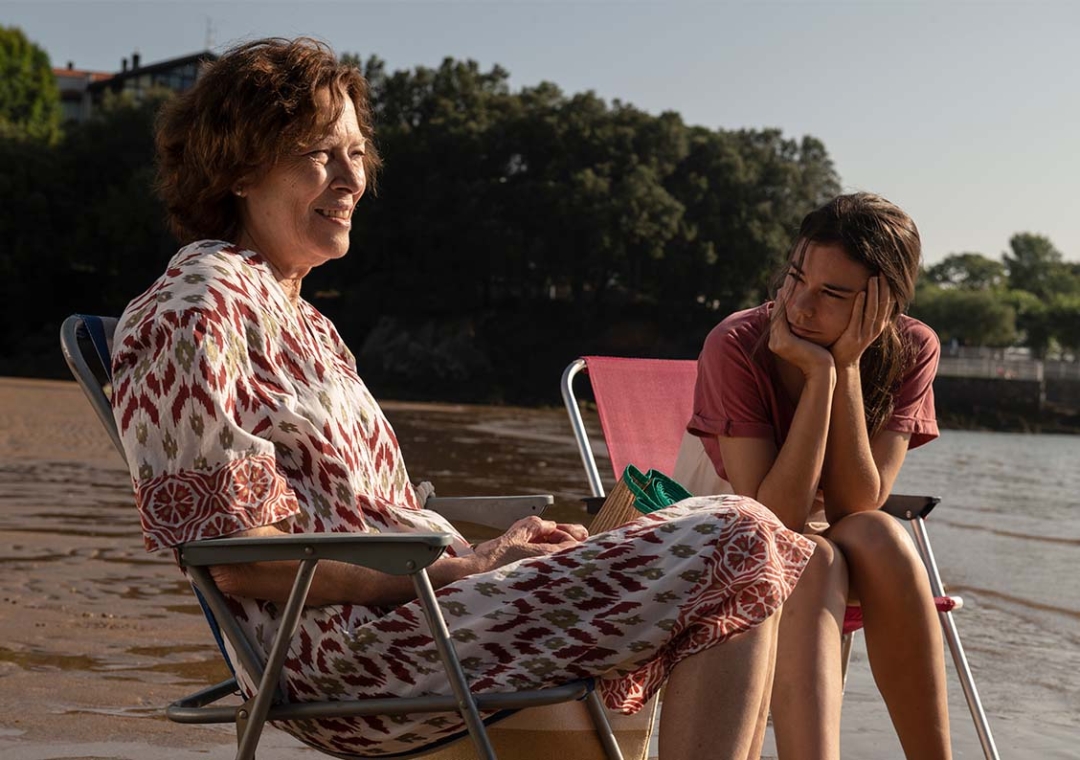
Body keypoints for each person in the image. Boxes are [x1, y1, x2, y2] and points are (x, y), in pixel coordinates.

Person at [109, 37, 814, 759]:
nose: (350, 177)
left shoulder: (307, 322)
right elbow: (240, 563)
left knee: (741, 540)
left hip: (423, 618)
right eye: (319, 152)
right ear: (238, 165)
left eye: (357, 153)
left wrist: (492, 553)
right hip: (351, 659)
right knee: (739, 533)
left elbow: (360, 515)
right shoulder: (200, 299)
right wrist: (456, 569)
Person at [678, 192, 949, 759]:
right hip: (721, 533)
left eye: (832, 294)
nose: (799, 307)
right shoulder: (736, 343)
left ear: (883, 305)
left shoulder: (912, 347)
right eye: (797, 277)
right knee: (815, 556)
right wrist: (819, 375)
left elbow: (858, 506)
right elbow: (774, 519)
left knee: (884, 535)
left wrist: (847, 365)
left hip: (820, 535)